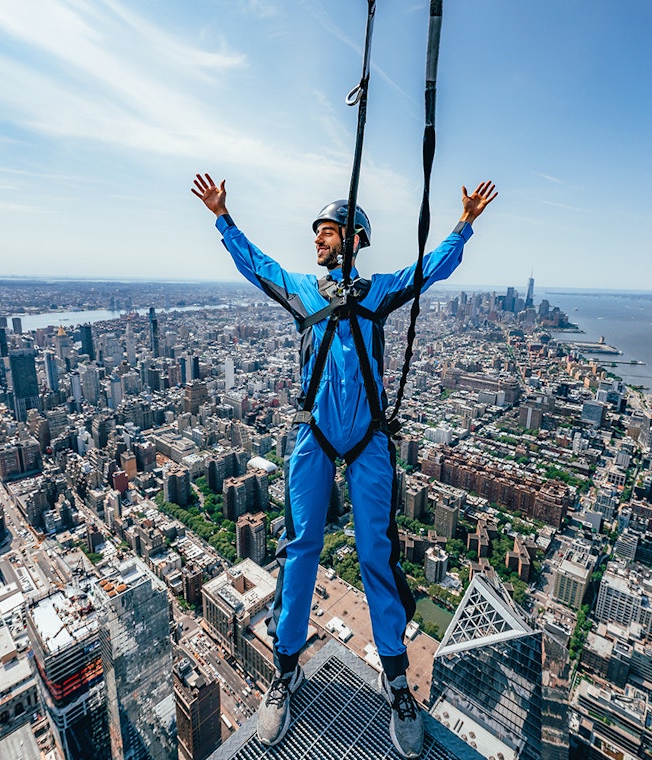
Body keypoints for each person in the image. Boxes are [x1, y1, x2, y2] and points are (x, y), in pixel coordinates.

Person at [192, 173, 496, 757]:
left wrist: (463, 226)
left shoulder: (378, 293)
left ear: (354, 238)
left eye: (327, 232)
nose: (317, 241)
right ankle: (285, 671)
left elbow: (427, 270)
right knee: (300, 547)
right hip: (314, 436)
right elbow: (258, 267)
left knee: (375, 554)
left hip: (369, 441)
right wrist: (223, 219)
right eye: (317, 234)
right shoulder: (307, 293)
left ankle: (397, 680)